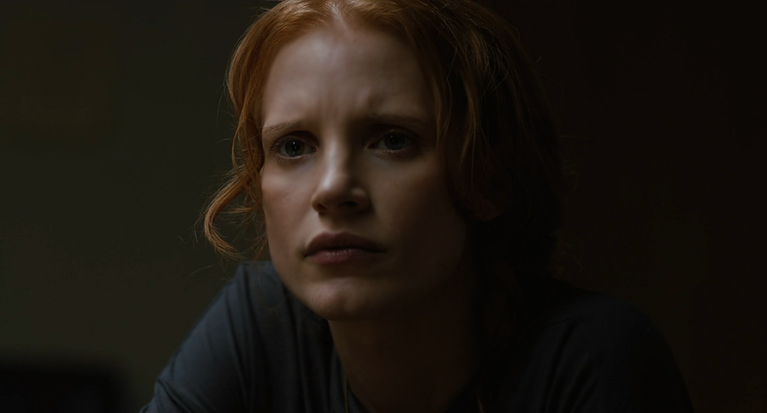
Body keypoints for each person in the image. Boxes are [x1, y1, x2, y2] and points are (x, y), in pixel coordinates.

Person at [141, 0, 694, 412]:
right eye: (293, 146)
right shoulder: (261, 321)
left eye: (392, 140)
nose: (332, 188)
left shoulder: (594, 356)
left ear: (487, 178)